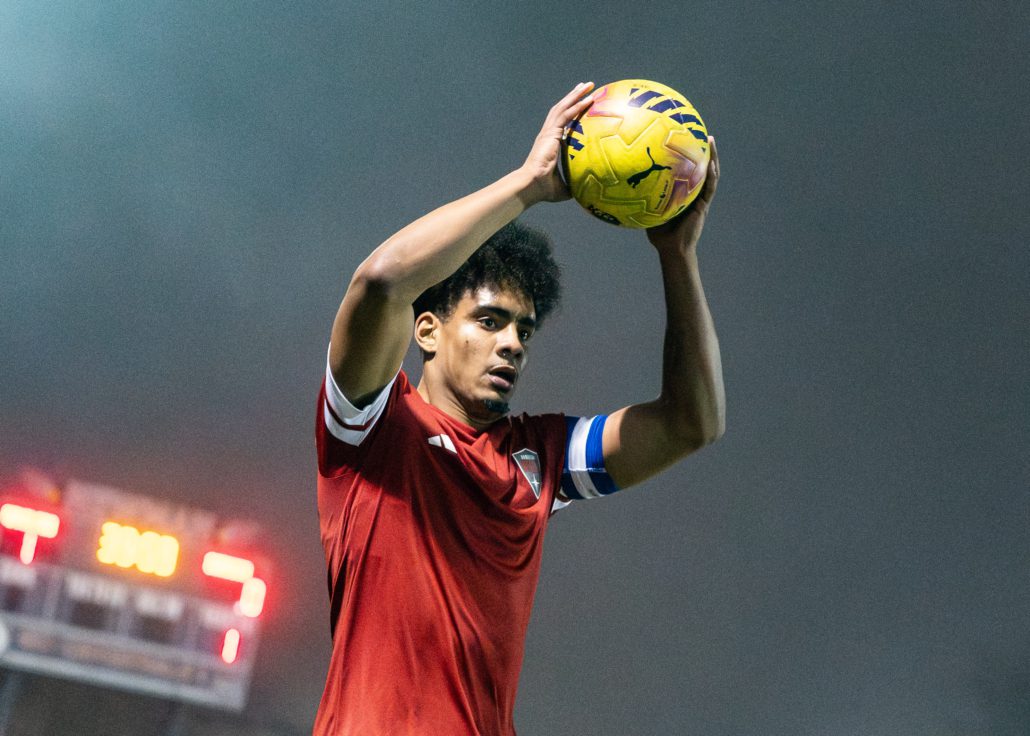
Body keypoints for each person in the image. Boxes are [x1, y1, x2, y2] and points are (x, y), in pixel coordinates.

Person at [313, 81, 724, 735]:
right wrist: (530, 184)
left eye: (523, 330)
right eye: (489, 320)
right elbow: (385, 280)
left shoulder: (541, 458)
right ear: (427, 331)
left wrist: (677, 256)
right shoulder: (370, 428)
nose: (511, 343)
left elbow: (690, 423)